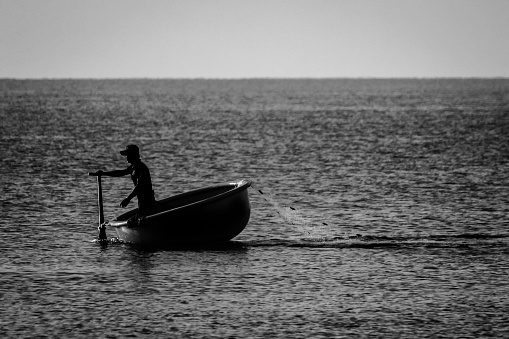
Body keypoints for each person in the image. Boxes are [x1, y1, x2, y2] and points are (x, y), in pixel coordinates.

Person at [98, 144, 156, 225]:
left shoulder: (141, 168)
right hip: (142, 202)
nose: (127, 157)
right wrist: (104, 173)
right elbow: (120, 173)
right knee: (137, 217)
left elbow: (139, 186)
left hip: (147, 202)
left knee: (137, 219)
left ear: (134, 155)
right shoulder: (133, 167)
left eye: (128, 155)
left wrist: (128, 199)